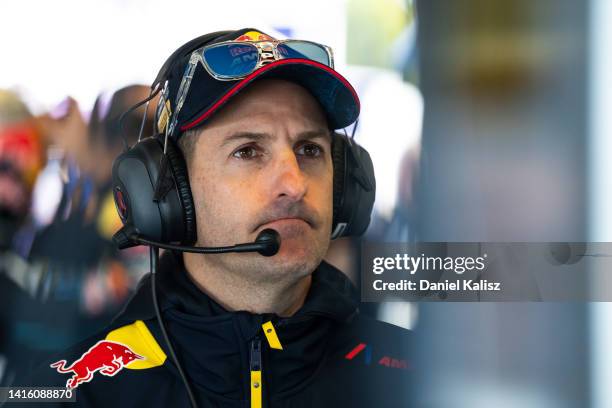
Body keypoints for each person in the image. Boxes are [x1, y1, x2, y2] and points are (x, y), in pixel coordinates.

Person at [26, 28, 411, 408]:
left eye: (309, 149)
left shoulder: (424, 377)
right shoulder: (65, 394)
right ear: (171, 191)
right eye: (248, 151)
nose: (294, 185)